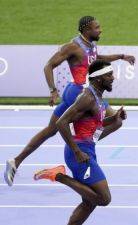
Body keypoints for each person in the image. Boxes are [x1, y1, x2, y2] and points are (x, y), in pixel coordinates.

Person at [4, 16, 135, 186]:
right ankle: (81, 148)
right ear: (86, 29)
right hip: (82, 96)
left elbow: (97, 58)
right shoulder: (72, 47)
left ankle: (15, 161)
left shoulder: (91, 45)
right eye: (97, 27)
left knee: (51, 130)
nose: (100, 30)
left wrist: (121, 56)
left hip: (80, 94)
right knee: (116, 121)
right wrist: (52, 90)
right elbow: (48, 66)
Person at [33, 60, 126, 225]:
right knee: (104, 199)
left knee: (88, 203)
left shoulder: (98, 97)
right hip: (79, 154)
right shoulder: (87, 97)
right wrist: (76, 151)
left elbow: (94, 124)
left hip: (88, 149)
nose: (113, 78)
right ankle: (59, 176)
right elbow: (61, 122)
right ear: (98, 79)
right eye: (109, 75)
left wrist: (114, 118)